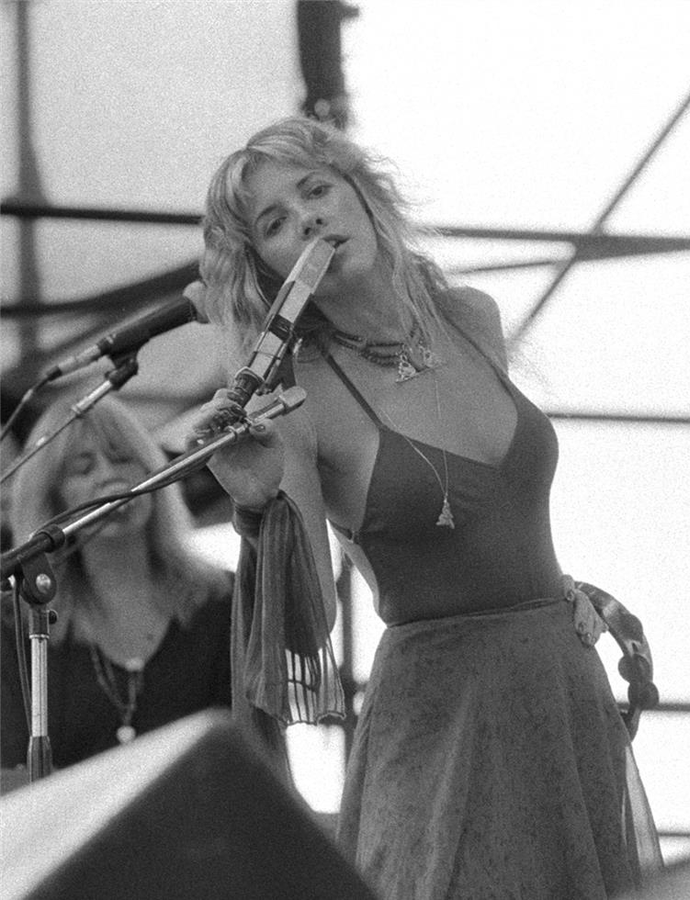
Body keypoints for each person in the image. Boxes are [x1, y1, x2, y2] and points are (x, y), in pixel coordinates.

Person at [193, 115, 663, 899]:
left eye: (317, 189)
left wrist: (556, 594)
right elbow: (300, 636)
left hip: (560, 681)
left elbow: (494, 515)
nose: (308, 217)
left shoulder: (470, 318)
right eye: (274, 222)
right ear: (266, 268)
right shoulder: (296, 401)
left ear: (362, 193)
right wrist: (254, 514)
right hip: (441, 714)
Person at [1, 392, 242, 774]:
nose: (109, 476)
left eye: (122, 458)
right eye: (83, 469)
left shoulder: (220, 599)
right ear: (52, 500)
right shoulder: (18, 620)